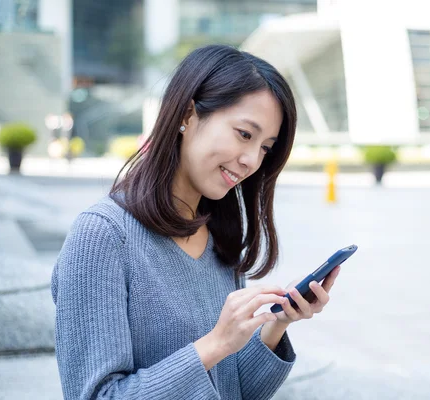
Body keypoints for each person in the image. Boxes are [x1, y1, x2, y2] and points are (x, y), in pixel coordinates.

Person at [51, 44, 341, 400]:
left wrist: (277, 322)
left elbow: (232, 391)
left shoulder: (219, 237)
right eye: (245, 134)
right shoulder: (102, 235)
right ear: (188, 114)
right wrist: (215, 344)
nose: (251, 160)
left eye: (265, 147)